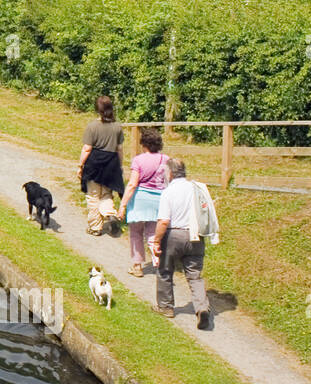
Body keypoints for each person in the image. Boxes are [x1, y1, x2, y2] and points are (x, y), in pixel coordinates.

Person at [149, 158, 218, 329]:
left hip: (174, 235)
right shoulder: (195, 188)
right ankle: (202, 308)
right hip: (196, 236)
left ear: (170, 173)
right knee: (194, 275)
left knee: (165, 271)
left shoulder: (168, 192)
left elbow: (164, 221)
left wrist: (156, 240)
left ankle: (166, 306)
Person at [118, 127, 169, 276]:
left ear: (143, 143)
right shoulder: (165, 159)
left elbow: (133, 183)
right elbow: (168, 181)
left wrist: (123, 205)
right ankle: (158, 263)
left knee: (136, 232)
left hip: (140, 200)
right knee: (153, 233)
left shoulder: (138, 160)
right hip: (158, 201)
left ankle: (137, 266)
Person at [78, 94, 124, 235]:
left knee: (93, 196)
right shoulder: (117, 127)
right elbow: (119, 149)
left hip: (94, 163)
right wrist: (119, 166)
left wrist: (80, 166)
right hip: (111, 163)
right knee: (106, 194)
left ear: (97, 109)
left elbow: (87, 148)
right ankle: (110, 213)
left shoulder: (92, 126)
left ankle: (95, 228)